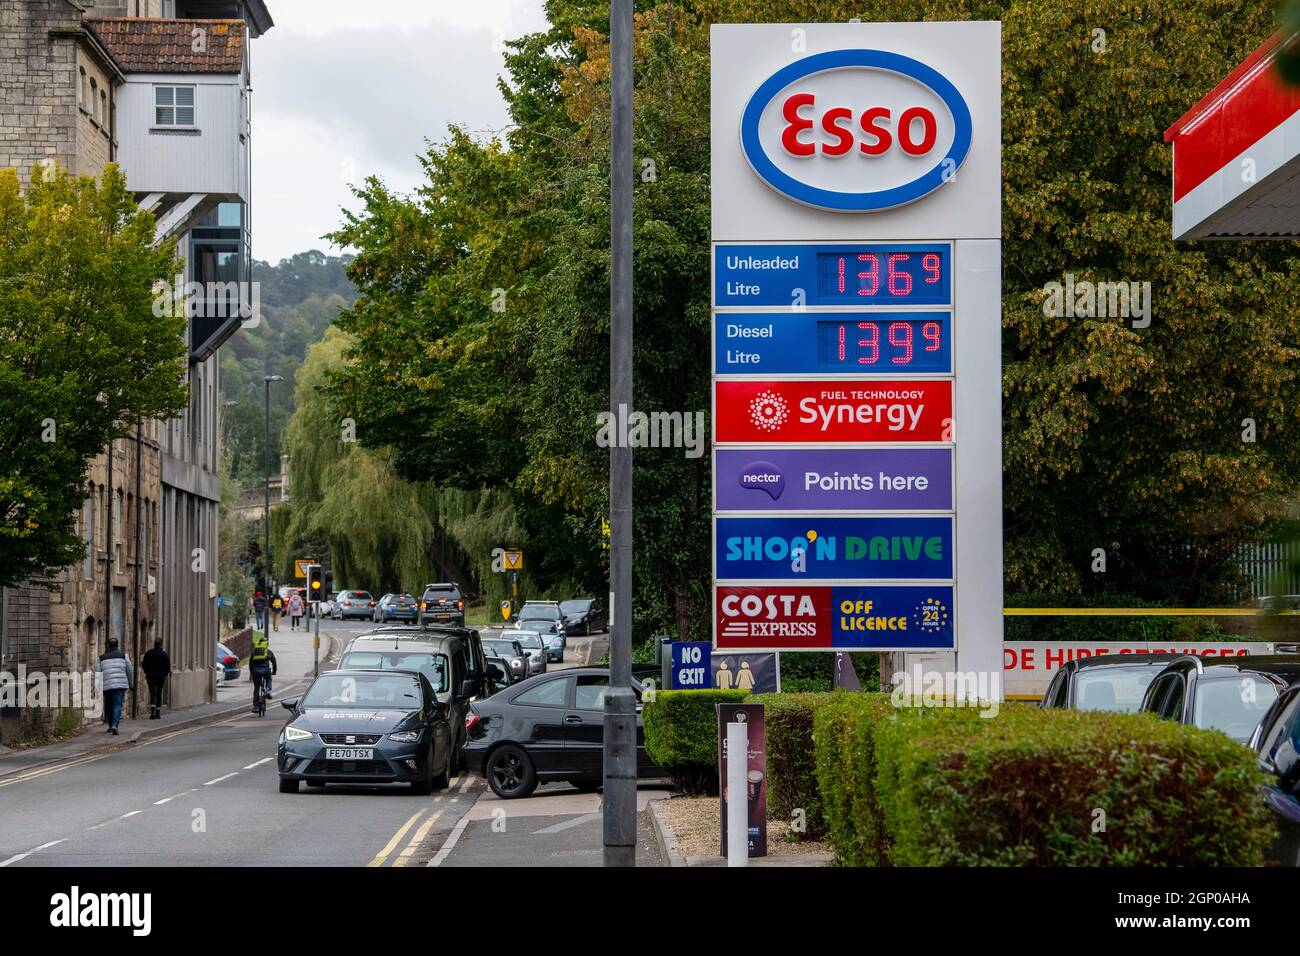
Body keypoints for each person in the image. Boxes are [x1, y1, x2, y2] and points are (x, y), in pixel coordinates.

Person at [95, 638, 134, 735]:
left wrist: (97, 687)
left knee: (108, 705)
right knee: (117, 704)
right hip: (120, 684)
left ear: (108, 645)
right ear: (117, 645)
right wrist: (131, 682)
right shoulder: (123, 656)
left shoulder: (101, 658)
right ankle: (114, 725)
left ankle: (110, 725)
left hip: (107, 685)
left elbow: (97, 673)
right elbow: (130, 670)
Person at [141, 637, 170, 720]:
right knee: (158, 693)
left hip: (151, 676)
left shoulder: (149, 653)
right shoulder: (164, 654)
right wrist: (164, 674)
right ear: (161, 644)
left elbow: (144, 664)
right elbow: (167, 667)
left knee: (152, 692)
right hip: (160, 676)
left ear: (154, 644)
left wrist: (147, 672)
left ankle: (152, 709)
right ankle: (158, 712)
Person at [249, 634, 277, 712]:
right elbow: (274, 662)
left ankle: (255, 706)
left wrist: (252, 672)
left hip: (256, 671)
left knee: (256, 688)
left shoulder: (254, 651)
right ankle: (268, 690)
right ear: (266, 644)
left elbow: (250, 663)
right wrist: (274, 671)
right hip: (265, 670)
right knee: (269, 679)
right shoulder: (268, 652)